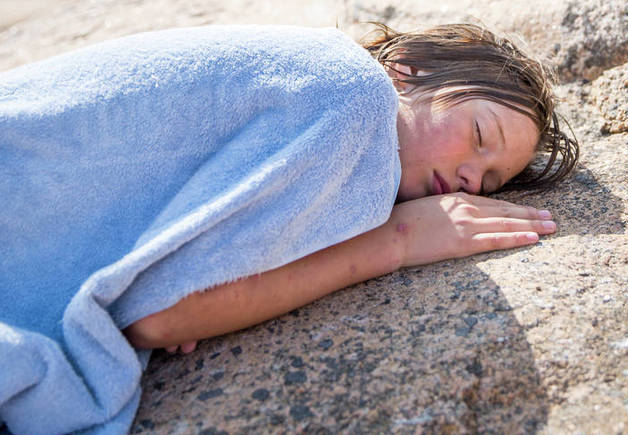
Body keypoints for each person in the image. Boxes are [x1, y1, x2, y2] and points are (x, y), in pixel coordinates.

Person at [124, 21, 580, 354]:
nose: (471, 181)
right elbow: (162, 313)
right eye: (480, 135)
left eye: (491, 182)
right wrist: (399, 241)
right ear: (407, 70)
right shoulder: (353, 94)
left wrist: (220, 295)